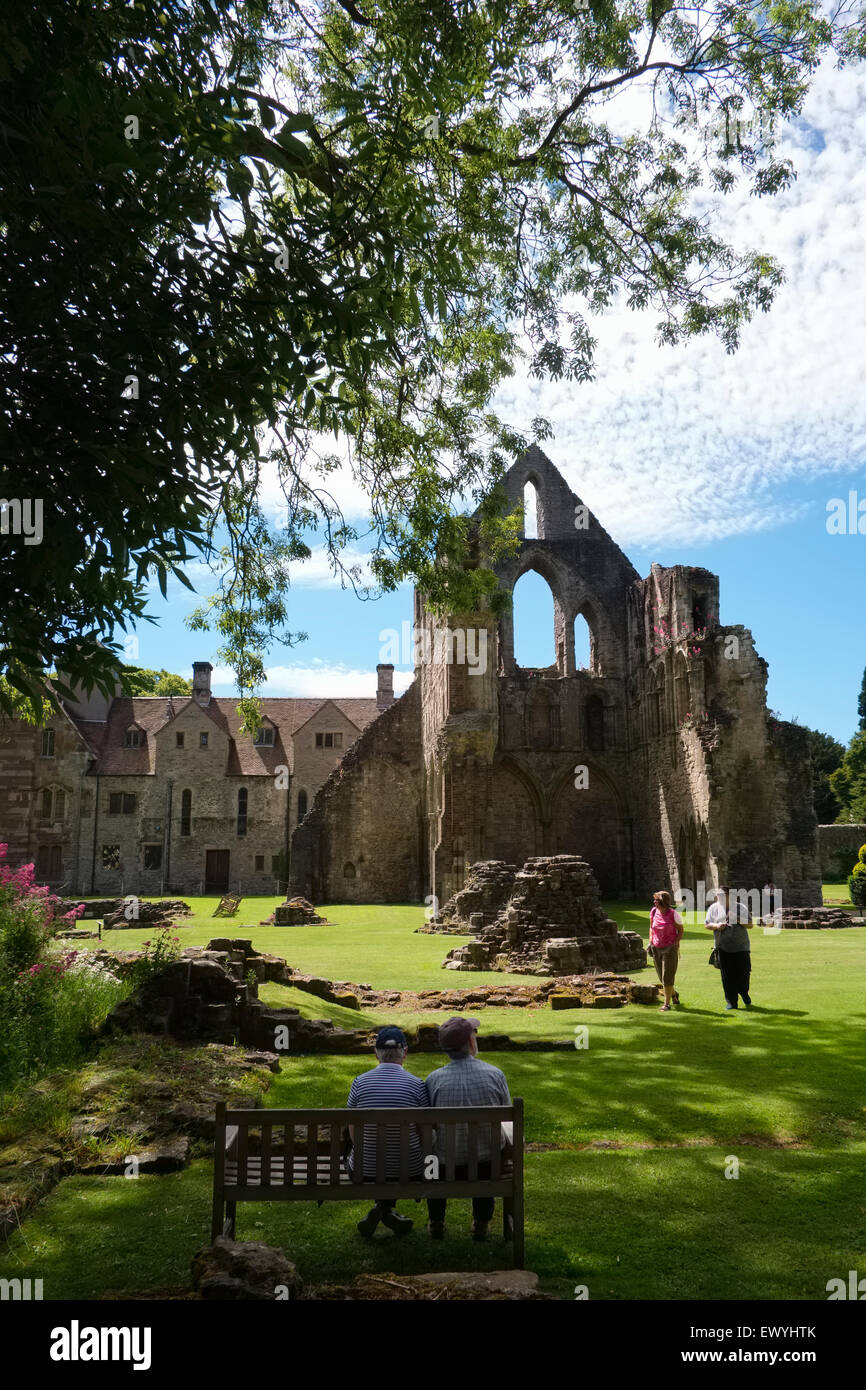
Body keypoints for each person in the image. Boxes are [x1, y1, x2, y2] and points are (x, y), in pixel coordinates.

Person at [425, 1016, 511, 1242]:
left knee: (431, 1159)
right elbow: (506, 1115)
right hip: (486, 1166)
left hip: (444, 1167)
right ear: (471, 1044)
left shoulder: (434, 1080)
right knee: (488, 1150)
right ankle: (482, 1223)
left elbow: (429, 1124)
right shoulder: (495, 1074)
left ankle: (436, 1221)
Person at [346, 1025, 429, 1238]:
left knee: (370, 1156)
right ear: (405, 1053)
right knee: (398, 1156)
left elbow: (352, 1126)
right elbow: (425, 1131)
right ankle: (387, 1210)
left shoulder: (359, 1083)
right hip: (409, 1170)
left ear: (376, 1053)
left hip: (364, 1170)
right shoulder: (417, 1085)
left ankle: (382, 1208)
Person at [705, 885, 753, 1010]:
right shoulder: (713, 908)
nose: (718, 897)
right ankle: (732, 1002)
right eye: (717, 895)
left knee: (744, 974)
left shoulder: (740, 907)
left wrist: (736, 918)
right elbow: (707, 924)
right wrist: (716, 926)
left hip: (741, 947)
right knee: (727, 977)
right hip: (723, 947)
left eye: (721, 895)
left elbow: (750, 924)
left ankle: (743, 992)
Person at [648, 890, 684, 1011]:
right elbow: (651, 928)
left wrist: (675, 943)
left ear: (664, 902)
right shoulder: (653, 911)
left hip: (669, 949)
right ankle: (674, 994)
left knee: (667, 977)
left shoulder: (673, 914)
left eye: (656, 900)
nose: (654, 902)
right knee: (661, 977)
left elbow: (681, 931)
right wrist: (650, 941)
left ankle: (667, 1004)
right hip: (656, 947)